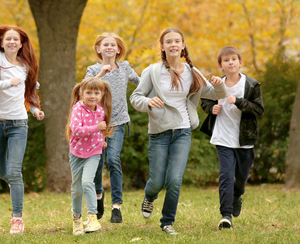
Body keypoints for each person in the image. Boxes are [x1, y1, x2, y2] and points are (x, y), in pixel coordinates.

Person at [130, 27, 227, 235]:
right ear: (163, 47)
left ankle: (167, 222)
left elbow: (212, 92)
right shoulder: (152, 71)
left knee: (174, 179)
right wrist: (148, 101)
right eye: (168, 42)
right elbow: (135, 97)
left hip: (182, 131)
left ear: (183, 45)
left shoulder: (193, 72)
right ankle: (149, 196)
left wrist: (219, 85)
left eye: (177, 41)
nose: (173, 45)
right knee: (156, 182)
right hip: (159, 133)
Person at [0, 25, 45, 235]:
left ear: (21, 44)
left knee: (13, 171)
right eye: (8, 39)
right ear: (2, 42)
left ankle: (17, 218)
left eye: (16, 39)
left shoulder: (25, 65)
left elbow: (29, 91)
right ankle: (16, 180)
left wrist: (35, 110)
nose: (12, 42)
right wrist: (8, 82)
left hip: (18, 124)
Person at [199, 46, 264, 230]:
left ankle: (237, 195)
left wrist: (239, 101)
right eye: (226, 60)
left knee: (241, 178)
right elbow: (205, 100)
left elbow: (259, 109)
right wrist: (211, 108)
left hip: (245, 139)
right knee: (226, 175)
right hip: (222, 137)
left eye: (233, 59)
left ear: (240, 62)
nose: (230, 62)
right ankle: (225, 216)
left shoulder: (251, 85)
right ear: (221, 66)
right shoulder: (216, 85)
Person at [84, 32, 140, 223]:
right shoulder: (92, 69)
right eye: (105, 45)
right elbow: (83, 89)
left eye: (113, 45)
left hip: (118, 121)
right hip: (97, 124)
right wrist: (102, 74)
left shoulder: (124, 67)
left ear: (118, 50)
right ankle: (99, 197)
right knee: (98, 163)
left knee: (114, 160)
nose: (109, 47)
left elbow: (140, 83)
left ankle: (117, 206)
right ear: (98, 49)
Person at [66, 77, 113, 235]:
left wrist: (102, 140)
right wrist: (96, 128)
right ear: (81, 93)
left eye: (96, 93)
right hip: (77, 154)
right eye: (89, 92)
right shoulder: (77, 109)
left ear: (101, 95)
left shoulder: (100, 110)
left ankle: (92, 218)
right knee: (77, 189)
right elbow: (76, 130)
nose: (92, 96)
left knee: (88, 182)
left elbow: (100, 131)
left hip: (94, 153)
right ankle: (77, 219)